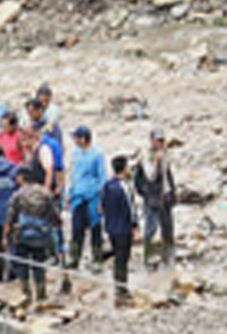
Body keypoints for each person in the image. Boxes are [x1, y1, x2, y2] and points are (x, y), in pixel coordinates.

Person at [6, 165, 60, 306]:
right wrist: (57, 227)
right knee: (39, 264)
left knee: (23, 265)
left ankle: (26, 295)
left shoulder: (18, 195)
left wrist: (7, 234)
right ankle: (41, 295)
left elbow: (11, 216)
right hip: (41, 235)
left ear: (22, 178)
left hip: (22, 235)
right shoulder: (44, 192)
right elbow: (53, 214)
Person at [135, 130, 178, 269]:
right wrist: (156, 162)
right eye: (157, 141)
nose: (160, 144)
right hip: (152, 197)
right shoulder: (146, 157)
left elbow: (168, 175)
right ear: (151, 141)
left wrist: (173, 192)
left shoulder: (165, 155)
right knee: (150, 228)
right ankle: (149, 257)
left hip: (165, 196)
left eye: (162, 141)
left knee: (168, 227)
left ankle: (168, 255)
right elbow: (150, 176)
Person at [65, 125, 107, 268]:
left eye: (76, 138)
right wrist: (69, 193)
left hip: (93, 196)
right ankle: (74, 257)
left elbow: (102, 177)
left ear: (84, 139)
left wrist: (102, 199)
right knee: (77, 228)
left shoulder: (97, 155)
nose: (75, 141)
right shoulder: (76, 154)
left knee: (95, 227)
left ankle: (97, 258)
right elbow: (73, 175)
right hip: (78, 196)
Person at [101, 156, 138, 302]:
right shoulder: (125, 187)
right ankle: (121, 287)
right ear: (124, 168)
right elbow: (130, 208)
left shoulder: (107, 185)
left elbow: (102, 206)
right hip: (124, 227)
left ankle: (118, 284)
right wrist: (135, 226)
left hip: (111, 226)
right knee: (123, 258)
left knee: (118, 256)